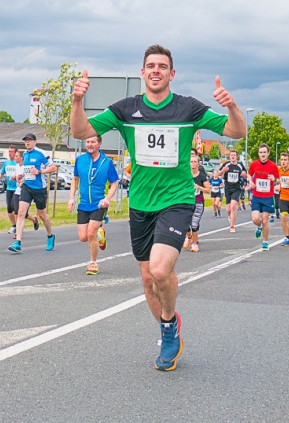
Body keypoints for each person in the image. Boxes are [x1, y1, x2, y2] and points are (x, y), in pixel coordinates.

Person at [70, 45, 244, 372]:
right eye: (150, 65)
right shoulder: (125, 110)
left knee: (161, 270)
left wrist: (232, 107)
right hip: (140, 205)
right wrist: (77, 101)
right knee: (148, 279)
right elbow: (81, 131)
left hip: (177, 200)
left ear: (171, 74)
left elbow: (237, 131)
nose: (156, 70)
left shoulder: (188, 109)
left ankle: (167, 322)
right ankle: (168, 329)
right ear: (143, 72)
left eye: (162, 66)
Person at [67, 134, 119, 274]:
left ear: (99, 144)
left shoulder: (106, 162)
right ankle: (100, 235)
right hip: (83, 204)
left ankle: (93, 263)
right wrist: (71, 197)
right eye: (88, 142)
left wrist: (107, 198)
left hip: (98, 204)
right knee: (83, 237)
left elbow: (114, 184)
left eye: (93, 142)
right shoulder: (80, 160)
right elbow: (75, 180)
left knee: (90, 233)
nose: (90, 144)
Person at [8, 133, 57, 253]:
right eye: (26, 141)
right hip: (27, 187)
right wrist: (22, 175)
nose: (27, 142)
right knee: (20, 213)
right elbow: (27, 170)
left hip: (39, 189)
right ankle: (18, 242)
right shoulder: (25, 154)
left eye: (29, 140)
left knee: (42, 215)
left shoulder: (41, 153)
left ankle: (50, 236)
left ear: (35, 141)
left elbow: (53, 168)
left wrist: (39, 171)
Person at [248, 144, 279, 251]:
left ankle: (265, 242)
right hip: (256, 196)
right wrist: (250, 182)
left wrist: (274, 178)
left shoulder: (273, 166)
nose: (263, 154)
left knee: (265, 220)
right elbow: (249, 174)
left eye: (264, 152)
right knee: (255, 219)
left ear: (268, 153)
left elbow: (278, 180)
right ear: (258, 154)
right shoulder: (254, 164)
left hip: (268, 197)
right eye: (261, 152)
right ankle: (259, 226)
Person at [184, 153, 212, 252]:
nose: (193, 163)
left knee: (194, 223)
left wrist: (199, 187)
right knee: (185, 222)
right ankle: (189, 237)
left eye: (195, 162)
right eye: (191, 162)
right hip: (186, 201)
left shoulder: (202, 176)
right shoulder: (185, 175)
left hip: (198, 202)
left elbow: (208, 190)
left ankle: (195, 244)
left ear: (198, 164)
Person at [216, 150, 247, 232]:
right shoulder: (226, 164)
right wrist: (223, 171)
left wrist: (244, 174)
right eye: (231, 155)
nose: (233, 156)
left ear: (236, 156)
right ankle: (229, 216)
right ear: (229, 156)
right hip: (228, 188)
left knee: (233, 206)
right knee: (228, 209)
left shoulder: (240, 165)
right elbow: (218, 174)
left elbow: (245, 174)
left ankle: (232, 226)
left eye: (234, 155)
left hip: (236, 188)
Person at [2, 146, 22, 234]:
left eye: (12, 152)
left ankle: (18, 228)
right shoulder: (7, 162)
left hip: (18, 189)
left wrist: (18, 179)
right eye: (9, 151)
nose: (10, 153)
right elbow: (2, 172)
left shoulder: (20, 165)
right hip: (9, 188)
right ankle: (14, 226)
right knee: (9, 208)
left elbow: (24, 176)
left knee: (16, 209)